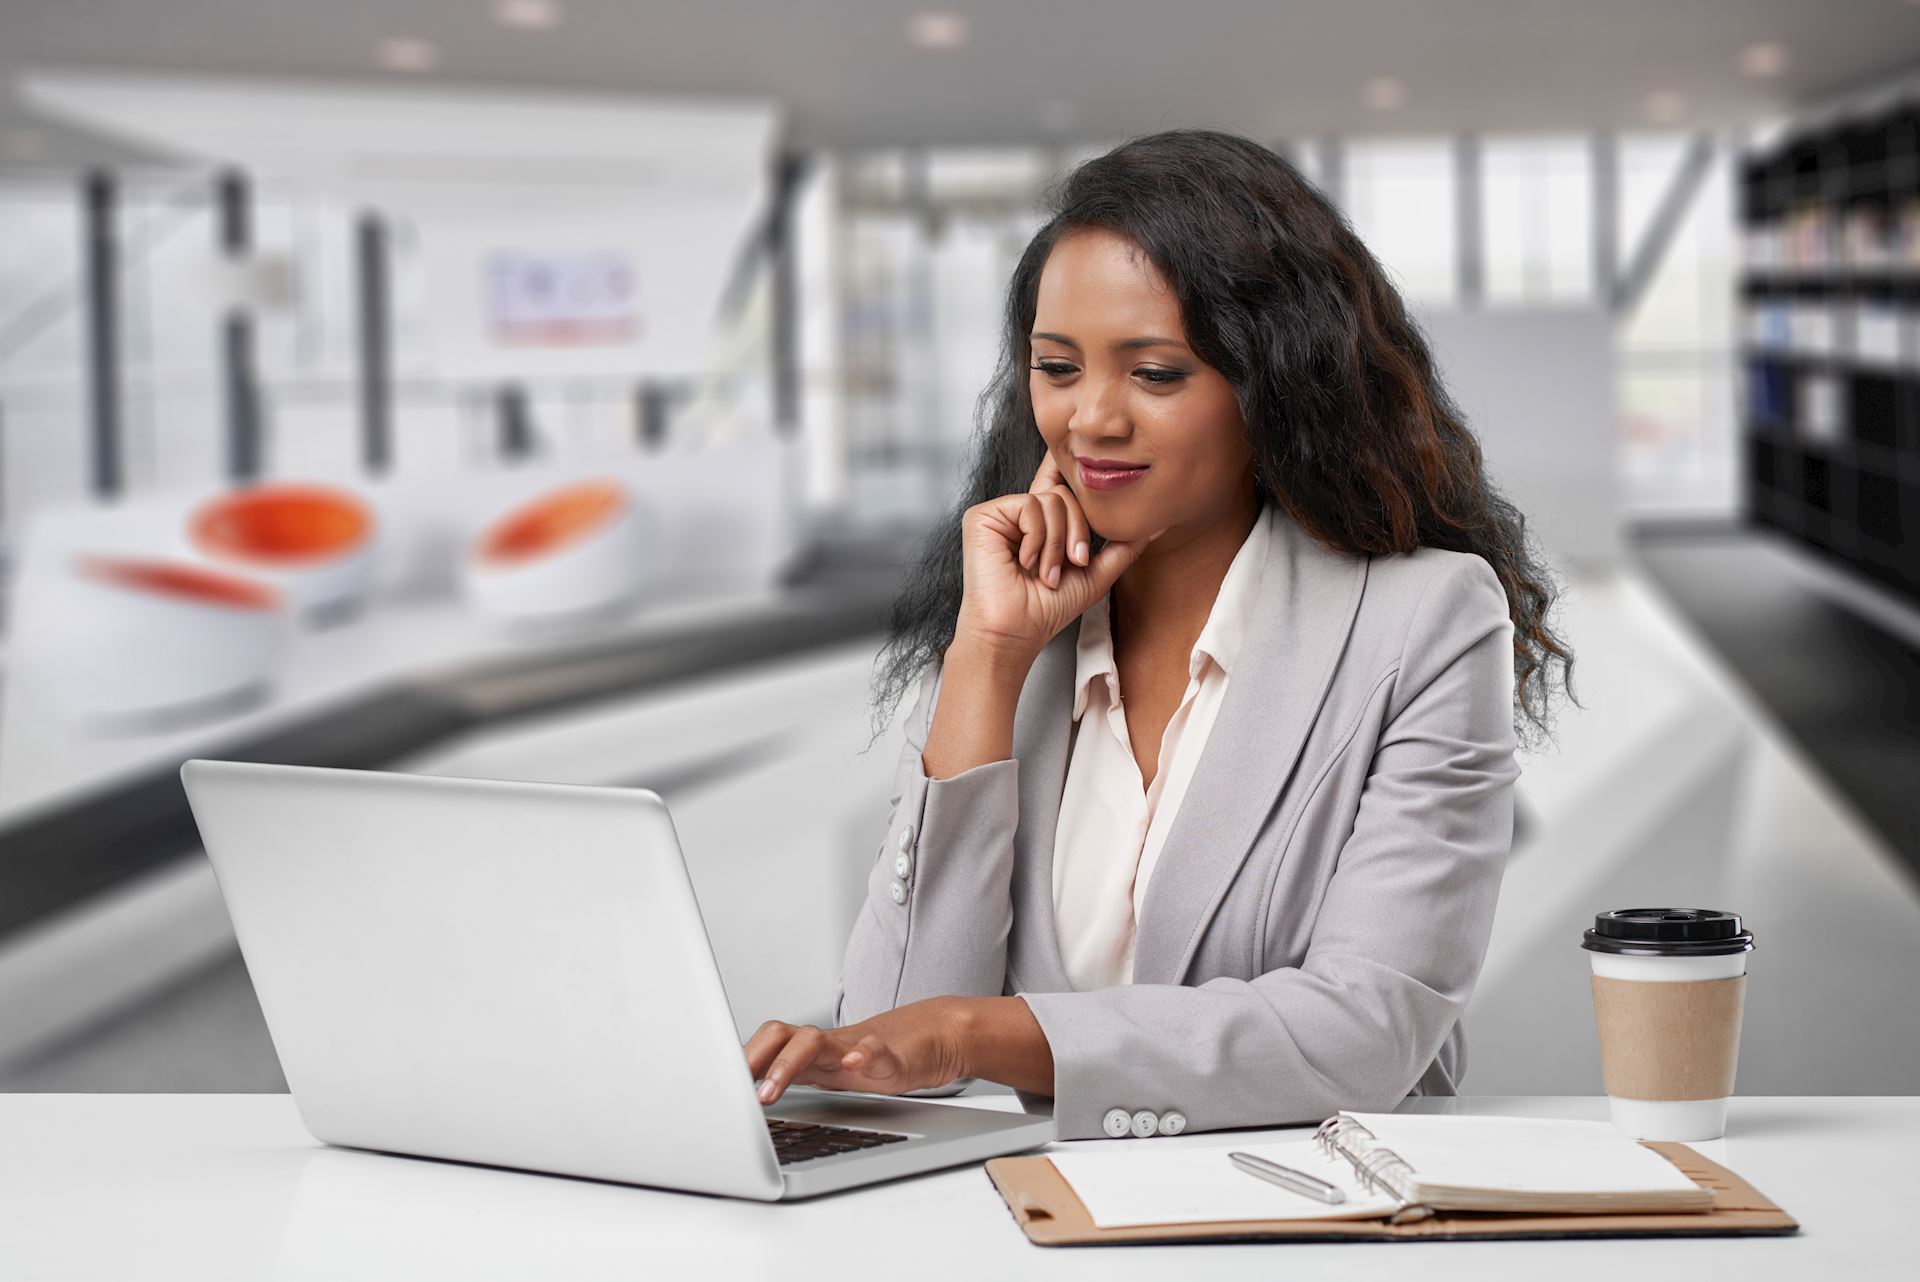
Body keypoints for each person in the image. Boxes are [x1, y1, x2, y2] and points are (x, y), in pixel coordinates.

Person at [743, 128, 1575, 1140]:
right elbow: (895, 1034)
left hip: (1312, 1216)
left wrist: (983, 1032)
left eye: (1156, 373)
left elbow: (1368, 1027)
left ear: (1274, 383)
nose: (1089, 419)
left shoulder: (1424, 620)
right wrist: (987, 657)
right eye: (1057, 367)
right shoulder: (1025, 629)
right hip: (1038, 1221)